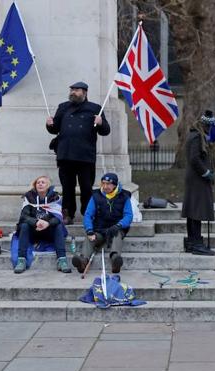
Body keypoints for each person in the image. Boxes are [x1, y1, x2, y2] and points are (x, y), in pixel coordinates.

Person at [46, 81, 110, 225]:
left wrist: (101, 123)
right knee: (67, 188)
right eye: (72, 90)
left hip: (85, 156)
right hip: (65, 154)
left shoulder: (95, 108)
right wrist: (49, 124)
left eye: (76, 90)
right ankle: (67, 214)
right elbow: (54, 129)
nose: (73, 92)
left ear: (85, 92)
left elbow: (105, 131)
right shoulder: (63, 107)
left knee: (86, 188)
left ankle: (88, 215)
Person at [72, 173, 132, 274]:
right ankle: (83, 261)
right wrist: (89, 230)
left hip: (116, 228)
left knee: (117, 235)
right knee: (90, 237)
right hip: (99, 229)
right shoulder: (95, 196)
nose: (105, 186)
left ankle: (115, 260)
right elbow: (88, 215)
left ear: (115, 185)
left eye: (108, 184)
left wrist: (119, 225)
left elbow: (128, 215)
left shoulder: (124, 196)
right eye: (103, 183)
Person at [15, 176, 70, 274]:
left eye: (43, 182)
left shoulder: (55, 197)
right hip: (34, 230)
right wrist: (36, 222)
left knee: (58, 226)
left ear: (48, 185)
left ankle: (62, 260)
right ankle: (21, 260)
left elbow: (58, 217)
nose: (40, 184)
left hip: (48, 230)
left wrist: (47, 223)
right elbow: (24, 216)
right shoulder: (29, 197)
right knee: (24, 225)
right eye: (38, 182)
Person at [181, 110, 215, 256]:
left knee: (194, 211)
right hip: (197, 179)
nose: (210, 128)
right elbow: (195, 158)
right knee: (196, 211)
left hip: (195, 179)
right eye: (209, 126)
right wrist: (206, 172)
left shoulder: (197, 135)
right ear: (204, 125)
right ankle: (196, 243)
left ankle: (193, 241)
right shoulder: (196, 137)